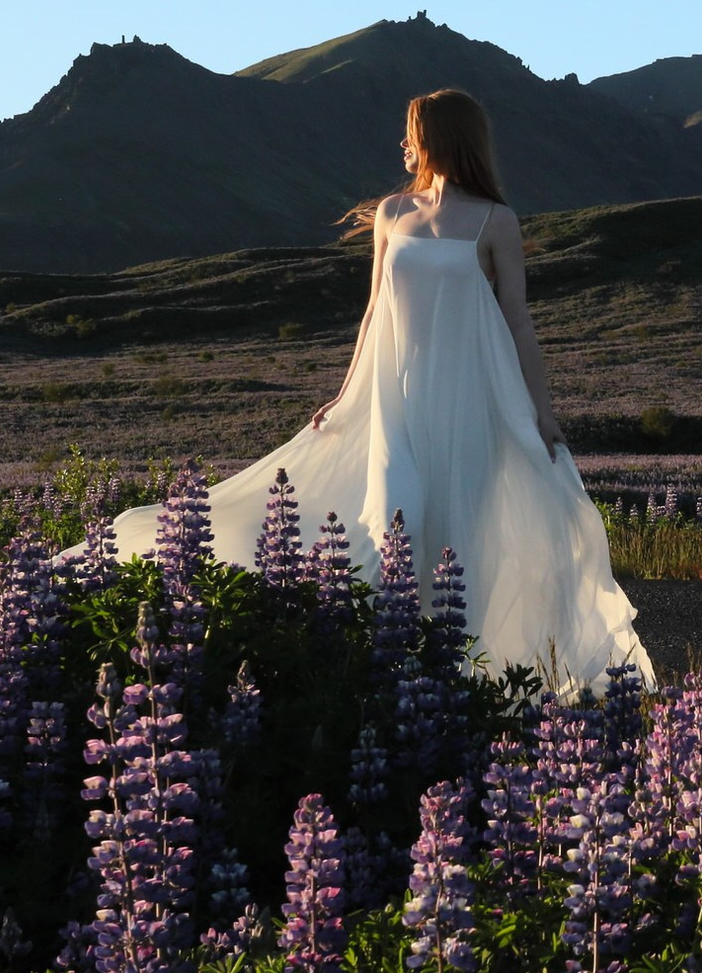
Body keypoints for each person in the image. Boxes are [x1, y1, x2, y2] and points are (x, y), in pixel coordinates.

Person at [108, 88, 650, 693]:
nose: (405, 142)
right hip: (396, 396)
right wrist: (344, 397)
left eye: (414, 130)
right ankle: (381, 668)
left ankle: (461, 679)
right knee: (397, 517)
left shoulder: (497, 221)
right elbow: (374, 312)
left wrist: (542, 414)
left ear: (442, 137)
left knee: (457, 530)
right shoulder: (393, 213)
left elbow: (518, 320)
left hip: (471, 398)